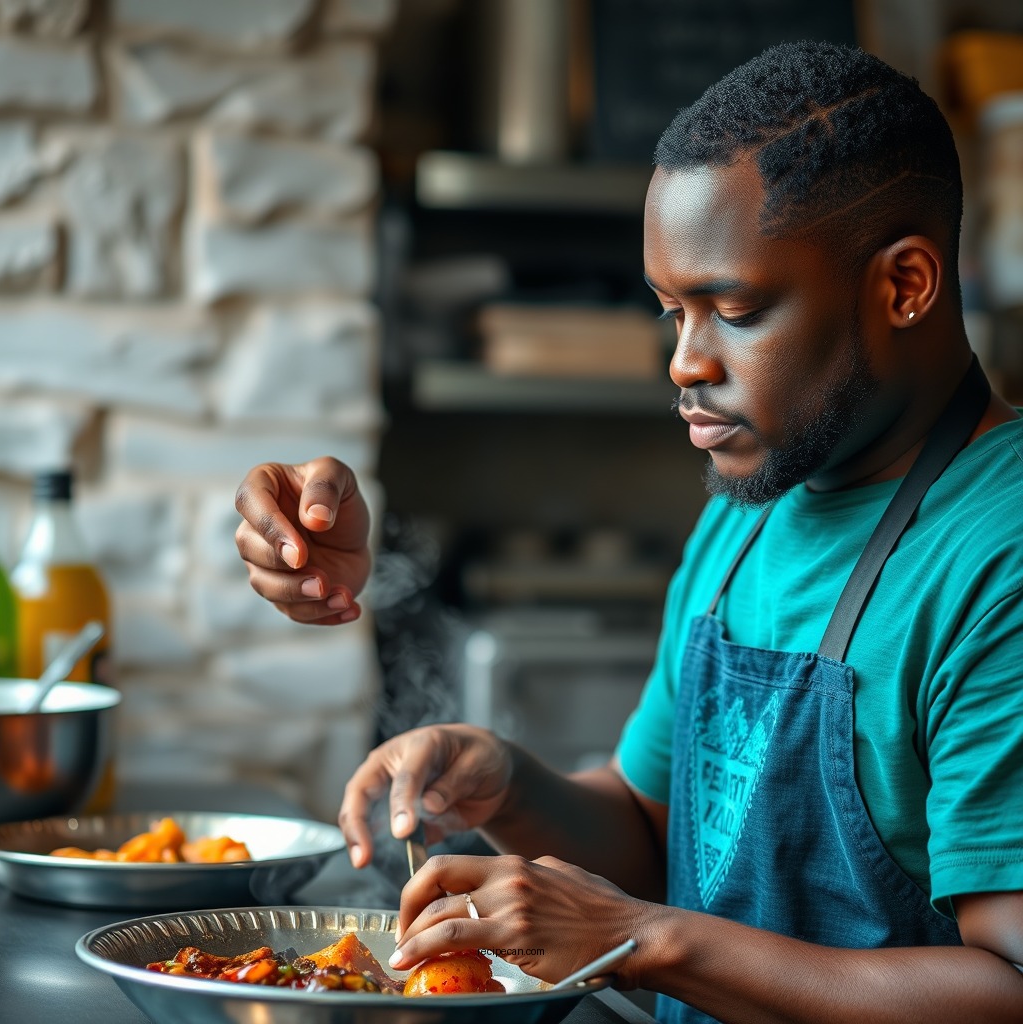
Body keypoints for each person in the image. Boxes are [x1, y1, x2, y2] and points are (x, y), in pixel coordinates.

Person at [234, 40, 1023, 1023]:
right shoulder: (750, 510)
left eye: (732, 309)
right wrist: (507, 786)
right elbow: (658, 832)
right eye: (670, 311)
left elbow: (1006, 985)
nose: (684, 363)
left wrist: (644, 937)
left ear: (903, 283)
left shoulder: (1001, 553)